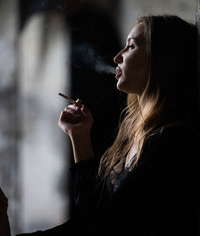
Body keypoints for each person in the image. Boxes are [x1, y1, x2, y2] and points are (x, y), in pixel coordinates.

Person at [17, 15, 200, 236]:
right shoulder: (137, 132)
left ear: (160, 60)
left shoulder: (172, 140)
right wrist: (80, 137)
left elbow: (103, 226)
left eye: (130, 46)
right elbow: (92, 208)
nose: (117, 57)